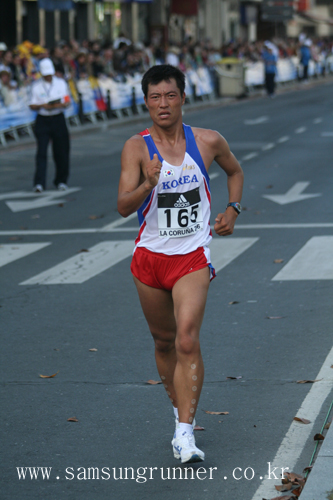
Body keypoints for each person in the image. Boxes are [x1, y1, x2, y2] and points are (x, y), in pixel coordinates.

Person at [117, 65, 243, 463]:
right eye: (155, 97)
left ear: (183, 98)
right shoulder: (136, 149)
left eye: (170, 96)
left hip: (191, 257)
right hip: (150, 260)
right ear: (146, 102)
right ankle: (178, 411)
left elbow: (235, 171)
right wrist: (147, 184)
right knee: (164, 341)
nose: (163, 104)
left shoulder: (207, 141)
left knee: (187, 338)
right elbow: (122, 207)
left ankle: (185, 434)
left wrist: (232, 209)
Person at [29, 58, 71, 192]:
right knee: (41, 152)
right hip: (43, 119)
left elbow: (67, 100)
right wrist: (43, 106)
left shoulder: (61, 83)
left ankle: (61, 180)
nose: (48, 76)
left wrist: (56, 105)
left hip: (58, 118)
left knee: (61, 151)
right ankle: (39, 183)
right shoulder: (36, 86)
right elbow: (32, 104)